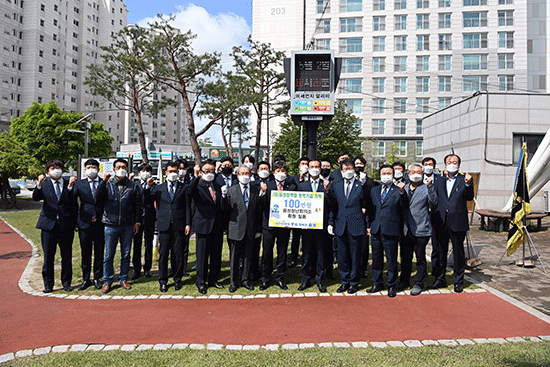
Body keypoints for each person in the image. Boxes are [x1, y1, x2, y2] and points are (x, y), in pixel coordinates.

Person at [96, 158, 142, 294]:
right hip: (110, 224)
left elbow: (138, 205)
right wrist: (103, 182)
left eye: (123, 167)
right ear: (114, 169)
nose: (121, 169)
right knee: (109, 254)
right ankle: (107, 281)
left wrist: (137, 222)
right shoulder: (107, 183)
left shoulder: (133, 185)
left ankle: (123, 278)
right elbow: (98, 198)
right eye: (118, 167)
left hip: (128, 224)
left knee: (126, 254)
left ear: (127, 170)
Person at [431, 154, 474, 293]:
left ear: (459, 165)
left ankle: (458, 281)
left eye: (454, 162)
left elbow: (469, 197)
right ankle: (440, 279)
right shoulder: (438, 180)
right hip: (441, 221)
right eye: (449, 162)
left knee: (458, 252)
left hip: (458, 221)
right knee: (440, 251)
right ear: (445, 164)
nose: (451, 164)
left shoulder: (464, 179)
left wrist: (468, 184)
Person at [145, 161, 191, 292]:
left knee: (178, 254)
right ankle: (163, 281)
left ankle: (177, 279)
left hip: (179, 225)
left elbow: (187, 207)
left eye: (175, 171)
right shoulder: (159, 188)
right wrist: (148, 187)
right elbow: (148, 200)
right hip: (164, 225)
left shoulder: (184, 187)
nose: (173, 174)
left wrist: (188, 223)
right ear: (166, 173)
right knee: (163, 254)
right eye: (170, 171)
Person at [33, 160, 78, 293]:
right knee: (48, 256)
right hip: (48, 225)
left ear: (62, 170)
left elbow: (73, 204)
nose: (56, 170)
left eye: (58, 167)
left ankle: (66, 283)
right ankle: (48, 284)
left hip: (66, 225)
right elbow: (36, 197)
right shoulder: (44, 183)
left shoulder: (68, 182)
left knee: (66, 255)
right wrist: (39, 185)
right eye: (52, 168)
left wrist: (70, 188)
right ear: (48, 171)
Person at [327, 158, 367, 294]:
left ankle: (354, 282)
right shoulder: (336, 186)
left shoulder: (361, 185)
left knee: (355, 255)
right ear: (341, 171)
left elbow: (366, 205)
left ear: (354, 170)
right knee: (342, 255)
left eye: (350, 169)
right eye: (345, 169)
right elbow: (333, 206)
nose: (347, 171)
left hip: (356, 224)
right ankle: (344, 281)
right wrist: (331, 223)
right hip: (340, 224)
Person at [367, 164, 406, 298]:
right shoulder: (374, 190)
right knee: (376, 259)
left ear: (393, 174)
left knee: (391, 260)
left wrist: (402, 193)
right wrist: (369, 225)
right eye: (384, 173)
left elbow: (404, 207)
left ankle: (391, 285)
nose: (386, 175)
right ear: (380, 174)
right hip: (376, 229)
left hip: (391, 229)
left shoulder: (399, 190)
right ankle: (377, 283)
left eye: (389, 173)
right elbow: (371, 210)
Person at [221, 166, 262, 292]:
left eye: (247, 173)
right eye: (242, 173)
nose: (244, 175)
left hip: (250, 228)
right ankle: (233, 282)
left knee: (248, 256)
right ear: (237, 175)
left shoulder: (256, 190)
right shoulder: (231, 190)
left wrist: (258, 229)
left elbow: (258, 211)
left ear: (251, 175)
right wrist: (223, 197)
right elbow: (225, 210)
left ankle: (245, 280)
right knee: (234, 256)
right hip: (235, 228)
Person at [400, 163, 437, 295]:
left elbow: (434, 203)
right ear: (408, 174)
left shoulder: (426, 188)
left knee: (420, 257)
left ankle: (419, 282)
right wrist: (401, 191)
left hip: (421, 228)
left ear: (423, 175)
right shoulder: (403, 187)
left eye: (419, 172)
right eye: (413, 172)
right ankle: (404, 281)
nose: (416, 174)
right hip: (405, 228)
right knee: (405, 257)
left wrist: (431, 187)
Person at [259, 160, 296, 290]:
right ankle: (265, 278)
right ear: (273, 173)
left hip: (284, 226)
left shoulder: (291, 187)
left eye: (283, 171)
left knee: (282, 252)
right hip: (269, 225)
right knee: (267, 252)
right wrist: (262, 193)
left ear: (286, 173)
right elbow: (261, 206)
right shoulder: (267, 186)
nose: (280, 174)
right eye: (278, 171)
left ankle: (280, 278)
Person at [189, 159, 224, 294]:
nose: (209, 173)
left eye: (211, 171)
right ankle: (201, 282)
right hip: (203, 225)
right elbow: (190, 192)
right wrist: (196, 176)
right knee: (202, 255)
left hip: (217, 225)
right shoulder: (198, 185)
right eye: (206, 171)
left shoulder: (216, 185)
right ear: (202, 172)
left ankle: (214, 279)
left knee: (216, 254)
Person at [297, 159, 331, 293]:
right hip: (306, 226)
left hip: (321, 225)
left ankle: (320, 280)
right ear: (307, 168)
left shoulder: (326, 184)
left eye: (317, 166)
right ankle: (305, 280)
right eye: (312, 166)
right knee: (306, 254)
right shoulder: (302, 186)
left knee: (320, 254)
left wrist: (327, 191)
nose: (314, 168)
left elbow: (332, 204)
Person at [72, 159, 105, 290]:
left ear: (98, 169)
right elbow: (73, 202)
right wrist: (76, 222)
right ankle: (86, 279)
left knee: (99, 251)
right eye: (89, 167)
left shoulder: (104, 183)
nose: (91, 169)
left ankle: (98, 277)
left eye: (94, 167)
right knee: (85, 252)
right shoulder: (79, 184)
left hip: (101, 222)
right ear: (85, 169)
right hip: (84, 222)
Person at [132, 163, 155, 280]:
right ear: (139, 173)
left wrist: (148, 186)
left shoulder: (155, 186)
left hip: (150, 218)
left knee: (148, 243)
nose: (145, 173)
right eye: (143, 171)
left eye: (148, 171)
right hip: (137, 219)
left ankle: (147, 269)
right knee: (136, 244)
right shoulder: (134, 185)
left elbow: (152, 201)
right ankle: (136, 269)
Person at [289, 156, 310, 269]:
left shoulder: (313, 178)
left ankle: (306, 258)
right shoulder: (294, 179)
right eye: (302, 163)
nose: (305, 165)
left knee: (307, 239)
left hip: (309, 214)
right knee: (296, 238)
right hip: (297, 214)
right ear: (299, 166)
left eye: (307, 163)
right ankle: (293, 258)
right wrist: (301, 178)